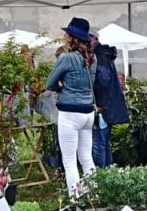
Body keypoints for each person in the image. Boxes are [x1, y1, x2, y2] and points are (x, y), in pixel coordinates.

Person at [45, 17, 97, 197]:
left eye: (67, 33)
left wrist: (60, 87)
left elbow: (50, 82)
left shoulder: (67, 58)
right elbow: (93, 82)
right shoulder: (92, 58)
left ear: (71, 37)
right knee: (86, 157)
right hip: (88, 112)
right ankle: (92, 194)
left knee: (69, 161)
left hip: (70, 112)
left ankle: (76, 199)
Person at [92, 38, 127, 168]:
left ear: (93, 39)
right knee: (105, 143)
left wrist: (90, 84)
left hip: (102, 105)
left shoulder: (100, 57)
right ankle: (108, 172)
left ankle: (101, 175)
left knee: (99, 143)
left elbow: (102, 81)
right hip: (109, 105)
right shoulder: (106, 55)